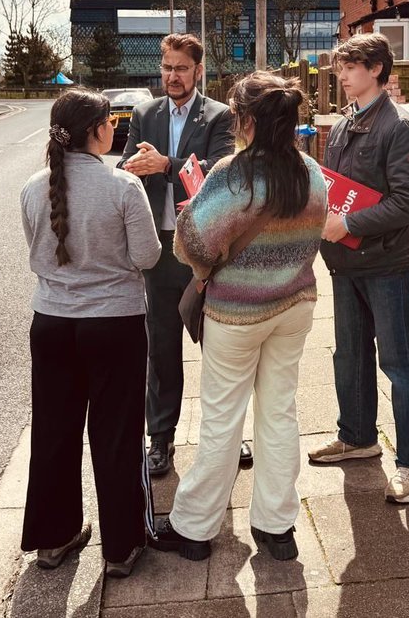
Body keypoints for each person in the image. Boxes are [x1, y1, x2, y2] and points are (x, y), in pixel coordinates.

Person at [150, 71, 328, 561]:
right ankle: (276, 527)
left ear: (246, 120)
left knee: (222, 420)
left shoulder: (234, 172)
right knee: (279, 413)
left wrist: (195, 210)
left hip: (237, 315)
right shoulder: (313, 172)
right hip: (294, 307)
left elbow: (192, 246)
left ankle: (194, 528)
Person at [19, 88, 162, 579]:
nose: (115, 130)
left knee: (54, 432)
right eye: (110, 122)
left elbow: (38, 253)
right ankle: (121, 546)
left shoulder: (33, 187)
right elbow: (146, 257)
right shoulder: (122, 186)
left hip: (53, 323)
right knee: (117, 435)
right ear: (97, 131)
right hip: (114, 325)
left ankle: (53, 538)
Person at [309, 33, 409, 504]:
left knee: (401, 364)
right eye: (341, 68)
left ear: (377, 69)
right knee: (350, 355)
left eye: (351, 67)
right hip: (345, 262)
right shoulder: (343, 125)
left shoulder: (398, 127)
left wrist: (349, 223)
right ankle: (358, 437)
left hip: (385, 265)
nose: (341, 76)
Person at [118, 33, 238, 477]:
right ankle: (161, 440)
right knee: (162, 349)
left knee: (221, 347)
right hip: (160, 249)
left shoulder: (219, 116)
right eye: (167, 67)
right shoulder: (144, 113)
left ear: (198, 71)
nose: (172, 76)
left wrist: (167, 165)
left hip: (205, 250)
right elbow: (125, 169)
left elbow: (219, 174)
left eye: (181, 68)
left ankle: (229, 435)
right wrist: (135, 164)